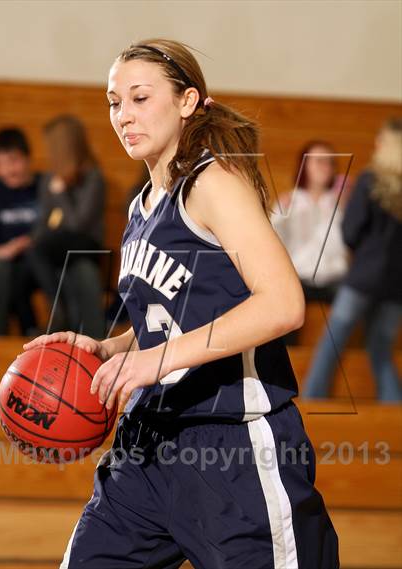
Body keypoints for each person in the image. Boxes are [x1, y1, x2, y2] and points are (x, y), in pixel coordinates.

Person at [23, 39, 339, 568]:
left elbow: (284, 303)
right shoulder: (142, 206)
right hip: (146, 447)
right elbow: (165, 318)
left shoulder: (215, 183)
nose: (123, 115)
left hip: (232, 449)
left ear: (188, 101)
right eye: (114, 101)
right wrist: (108, 348)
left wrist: (158, 359)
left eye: (140, 98)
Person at [302, 118, 402, 402]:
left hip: (363, 279)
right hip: (397, 285)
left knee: (331, 342)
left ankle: (311, 400)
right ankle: (395, 412)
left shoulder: (370, 180)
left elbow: (350, 232)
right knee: (381, 349)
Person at [27, 115, 106, 337]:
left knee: (39, 250)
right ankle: (34, 325)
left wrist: (61, 194)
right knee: (30, 255)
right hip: (57, 242)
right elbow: (43, 221)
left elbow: (78, 224)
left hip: (87, 244)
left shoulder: (93, 178)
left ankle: (58, 307)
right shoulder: (49, 179)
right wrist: (34, 239)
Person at [270, 141, 350, 345]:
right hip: (299, 279)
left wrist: (346, 210)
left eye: (330, 162)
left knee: (355, 300)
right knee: (284, 306)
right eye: (319, 161)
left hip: (334, 280)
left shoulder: (340, 203)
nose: (326, 166)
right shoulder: (290, 201)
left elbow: (347, 244)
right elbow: (272, 242)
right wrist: (281, 216)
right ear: (304, 166)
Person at [0, 127, 41, 335]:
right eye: (1, 164)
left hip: (44, 265)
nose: (9, 170)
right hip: (8, 268)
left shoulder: (45, 190)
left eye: (13, 160)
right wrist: (6, 250)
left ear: (27, 158)